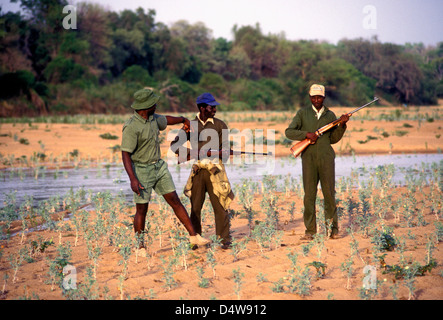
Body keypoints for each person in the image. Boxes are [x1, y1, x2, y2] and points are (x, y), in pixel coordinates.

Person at [121, 88, 210, 256]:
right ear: (146, 106)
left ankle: (194, 236)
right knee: (142, 209)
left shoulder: (154, 119)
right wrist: (133, 178)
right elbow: (125, 153)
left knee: (175, 200)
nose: (156, 105)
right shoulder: (131, 127)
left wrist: (183, 119)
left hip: (159, 167)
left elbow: (167, 120)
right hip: (141, 170)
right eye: (154, 103)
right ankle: (140, 247)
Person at [285, 84, 349, 240]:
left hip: (326, 158)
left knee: (329, 194)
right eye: (313, 97)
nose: (316, 100)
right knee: (309, 196)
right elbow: (289, 131)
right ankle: (310, 231)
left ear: (324, 97)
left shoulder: (330, 115)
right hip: (308, 158)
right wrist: (307, 134)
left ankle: (333, 230)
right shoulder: (302, 113)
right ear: (310, 97)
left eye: (319, 97)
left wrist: (342, 124)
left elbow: (333, 139)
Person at [170, 92, 234, 249]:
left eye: (214, 107)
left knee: (220, 205)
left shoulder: (221, 125)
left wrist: (223, 152)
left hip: (216, 170)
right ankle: (195, 238)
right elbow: (174, 146)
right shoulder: (189, 125)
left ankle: (224, 240)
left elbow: (225, 150)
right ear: (202, 108)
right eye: (212, 107)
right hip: (198, 171)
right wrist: (193, 154)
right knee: (195, 207)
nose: (215, 109)